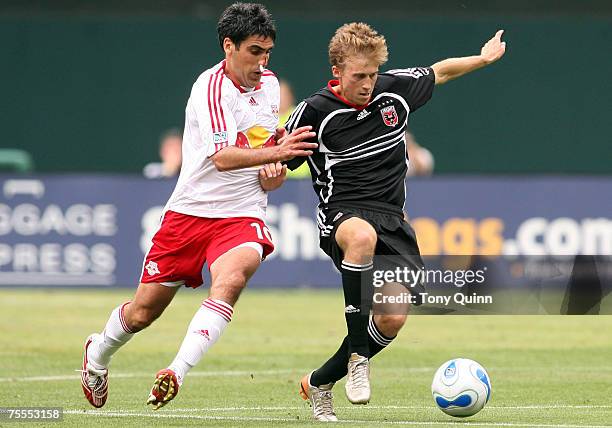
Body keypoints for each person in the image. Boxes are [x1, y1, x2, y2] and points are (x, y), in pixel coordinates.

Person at [80, 2, 316, 410]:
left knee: (232, 279)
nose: (263, 62)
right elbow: (222, 158)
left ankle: (176, 371)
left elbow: (263, 145)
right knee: (142, 314)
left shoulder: (271, 85)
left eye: (268, 53)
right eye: (255, 52)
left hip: (242, 212)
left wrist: (275, 168)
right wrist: (275, 151)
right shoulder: (210, 89)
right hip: (190, 213)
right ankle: (97, 353)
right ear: (229, 46)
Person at [285, 22, 506, 421]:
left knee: (392, 317)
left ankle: (319, 381)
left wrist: (484, 59)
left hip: (393, 219)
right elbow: (280, 158)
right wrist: (270, 168)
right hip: (342, 212)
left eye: (372, 74)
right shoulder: (314, 112)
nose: (368, 84)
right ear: (337, 71)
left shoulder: (394, 91)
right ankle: (357, 358)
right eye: (358, 77)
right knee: (362, 236)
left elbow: (441, 71)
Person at [279, 79, 311, 179]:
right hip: (277, 179)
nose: (281, 99)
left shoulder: (303, 116)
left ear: (291, 96)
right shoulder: (265, 120)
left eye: (284, 95)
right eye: (278, 95)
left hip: (305, 180)